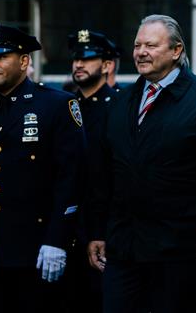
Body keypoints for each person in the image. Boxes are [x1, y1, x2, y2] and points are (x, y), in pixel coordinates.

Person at [86, 15, 196, 313]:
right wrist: (97, 230)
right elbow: (103, 172)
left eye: (151, 45)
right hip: (124, 246)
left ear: (176, 50)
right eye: (137, 45)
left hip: (179, 247)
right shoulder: (121, 102)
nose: (141, 52)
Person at [0, 22, 86, 313]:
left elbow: (71, 177)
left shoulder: (57, 105)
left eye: (1, 57)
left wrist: (57, 240)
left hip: (36, 251)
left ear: (24, 61)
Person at [65, 29, 119, 313]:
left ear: (107, 65)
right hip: (68, 228)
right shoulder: (63, 104)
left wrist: (102, 231)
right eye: (76, 59)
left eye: (88, 58)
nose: (79, 64)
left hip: (105, 230)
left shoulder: (119, 106)